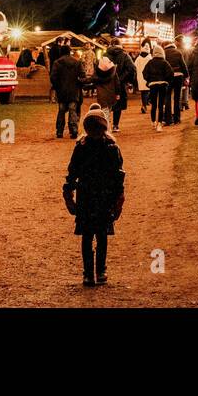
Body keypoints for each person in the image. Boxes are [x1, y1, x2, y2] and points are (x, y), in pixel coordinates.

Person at [63, 109, 125, 287]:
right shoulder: (110, 147)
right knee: (99, 234)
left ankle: (90, 273)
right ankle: (97, 271)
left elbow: (72, 172)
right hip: (100, 196)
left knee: (89, 235)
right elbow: (118, 175)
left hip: (88, 196)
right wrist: (119, 196)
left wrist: (69, 192)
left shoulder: (83, 146)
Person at [50, 50, 88, 138]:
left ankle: (59, 131)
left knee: (61, 110)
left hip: (61, 91)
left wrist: (57, 86)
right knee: (73, 110)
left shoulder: (57, 62)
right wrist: (79, 85)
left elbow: (53, 77)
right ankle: (74, 130)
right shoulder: (77, 62)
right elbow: (83, 76)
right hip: (74, 91)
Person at [144, 44, 173, 132]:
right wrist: (167, 80)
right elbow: (170, 73)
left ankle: (153, 122)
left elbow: (144, 73)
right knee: (161, 105)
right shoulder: (165, 62)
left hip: (153, 85)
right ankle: (159, 123)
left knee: (153, 105)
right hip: (162, 85)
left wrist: (149, 80)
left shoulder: (150, 62)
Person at [90, 55, 122, 131]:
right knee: (108, 110)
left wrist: (81, 81)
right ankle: (107, 127)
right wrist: (118, 93)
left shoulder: (97, 74)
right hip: (111, 94)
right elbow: (117, 83)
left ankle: (107, 128)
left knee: (104, 111)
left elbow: (91, 80)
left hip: (102, 96)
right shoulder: (113, 72)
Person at [164, 40, 189, 125]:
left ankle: (168, 119)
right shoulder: (178, 53)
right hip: (179, 76)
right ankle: (177, 119)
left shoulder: (164, 53)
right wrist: (186, 76)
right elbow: (183, 65)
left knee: (167, 97)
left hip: (168, 77)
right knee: (177, 98)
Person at [135, 42, 153, 114]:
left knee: (143, 92)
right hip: (148, 77)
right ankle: (146, 104)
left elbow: (135, 67)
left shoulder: (138, 58)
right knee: (149, 91)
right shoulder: (149, 58)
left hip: (140, 78)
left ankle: (144, 105)